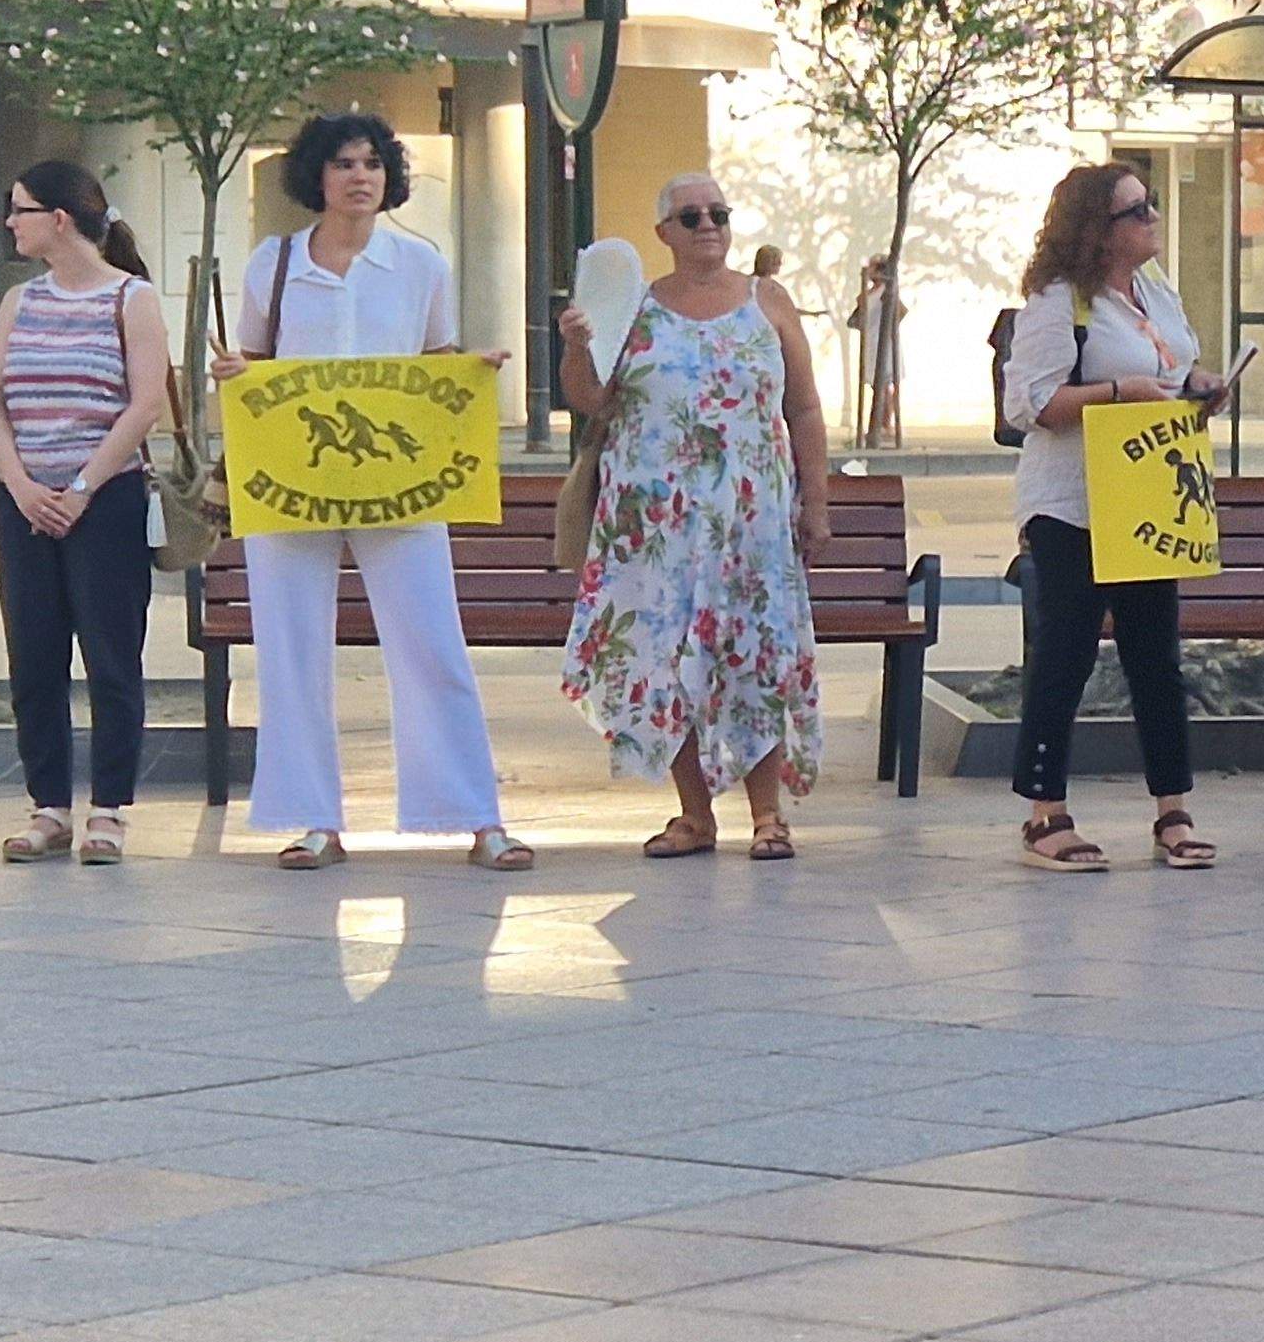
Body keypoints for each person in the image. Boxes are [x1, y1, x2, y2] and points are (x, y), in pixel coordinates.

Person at [218, 114, 530, 871]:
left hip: (401, 482)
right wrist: (233, 375)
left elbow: (436, 359)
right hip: (291, 479)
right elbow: (254, 360)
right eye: (343, 164)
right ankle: (313, 820)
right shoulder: (274, 262)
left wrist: (473, 372)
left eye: (372, 163)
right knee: (291, 646)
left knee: (431, 639)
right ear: (316, 177)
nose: (360, 177)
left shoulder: (420, 263)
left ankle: (474, 815)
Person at [557, 172, 829, 860]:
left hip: (750, 525)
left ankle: (768, 816)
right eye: (690, 217)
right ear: (664, 233)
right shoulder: (635, 307)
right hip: (652, 527)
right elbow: (591, 399)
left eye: (718, 213)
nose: (707, 225)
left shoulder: (767, 301)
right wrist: (576, 344)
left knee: (755, 656)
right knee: (665, 661)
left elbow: (803, 407)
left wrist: (817, 502)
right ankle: (694, 815)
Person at [1002, 162, 1233, 872]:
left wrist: (1195, 386)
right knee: (1065, 653)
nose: (1152, 217)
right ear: (1098, 232)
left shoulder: (1154, 290)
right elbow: (1031, 405)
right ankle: (1045, 813)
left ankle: (1172, 809)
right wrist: (1117, 392)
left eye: (1150, 204)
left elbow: (1173, 367)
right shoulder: (1059, 302)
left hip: (1145, 492)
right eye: (1137, 210)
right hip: (1072, 503)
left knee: (1155, 656)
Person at [0, 164, 170, 866]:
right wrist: (21, 483)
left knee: (111, 657)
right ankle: (49, 808)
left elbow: (145, 404)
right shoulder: (19, 301)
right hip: (24, 503)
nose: (11, 223)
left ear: (59, 219)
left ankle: (110, 809)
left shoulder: (132, 299)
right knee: (34, 657)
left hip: (105, 501)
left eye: (20, 210)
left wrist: (83, 487)